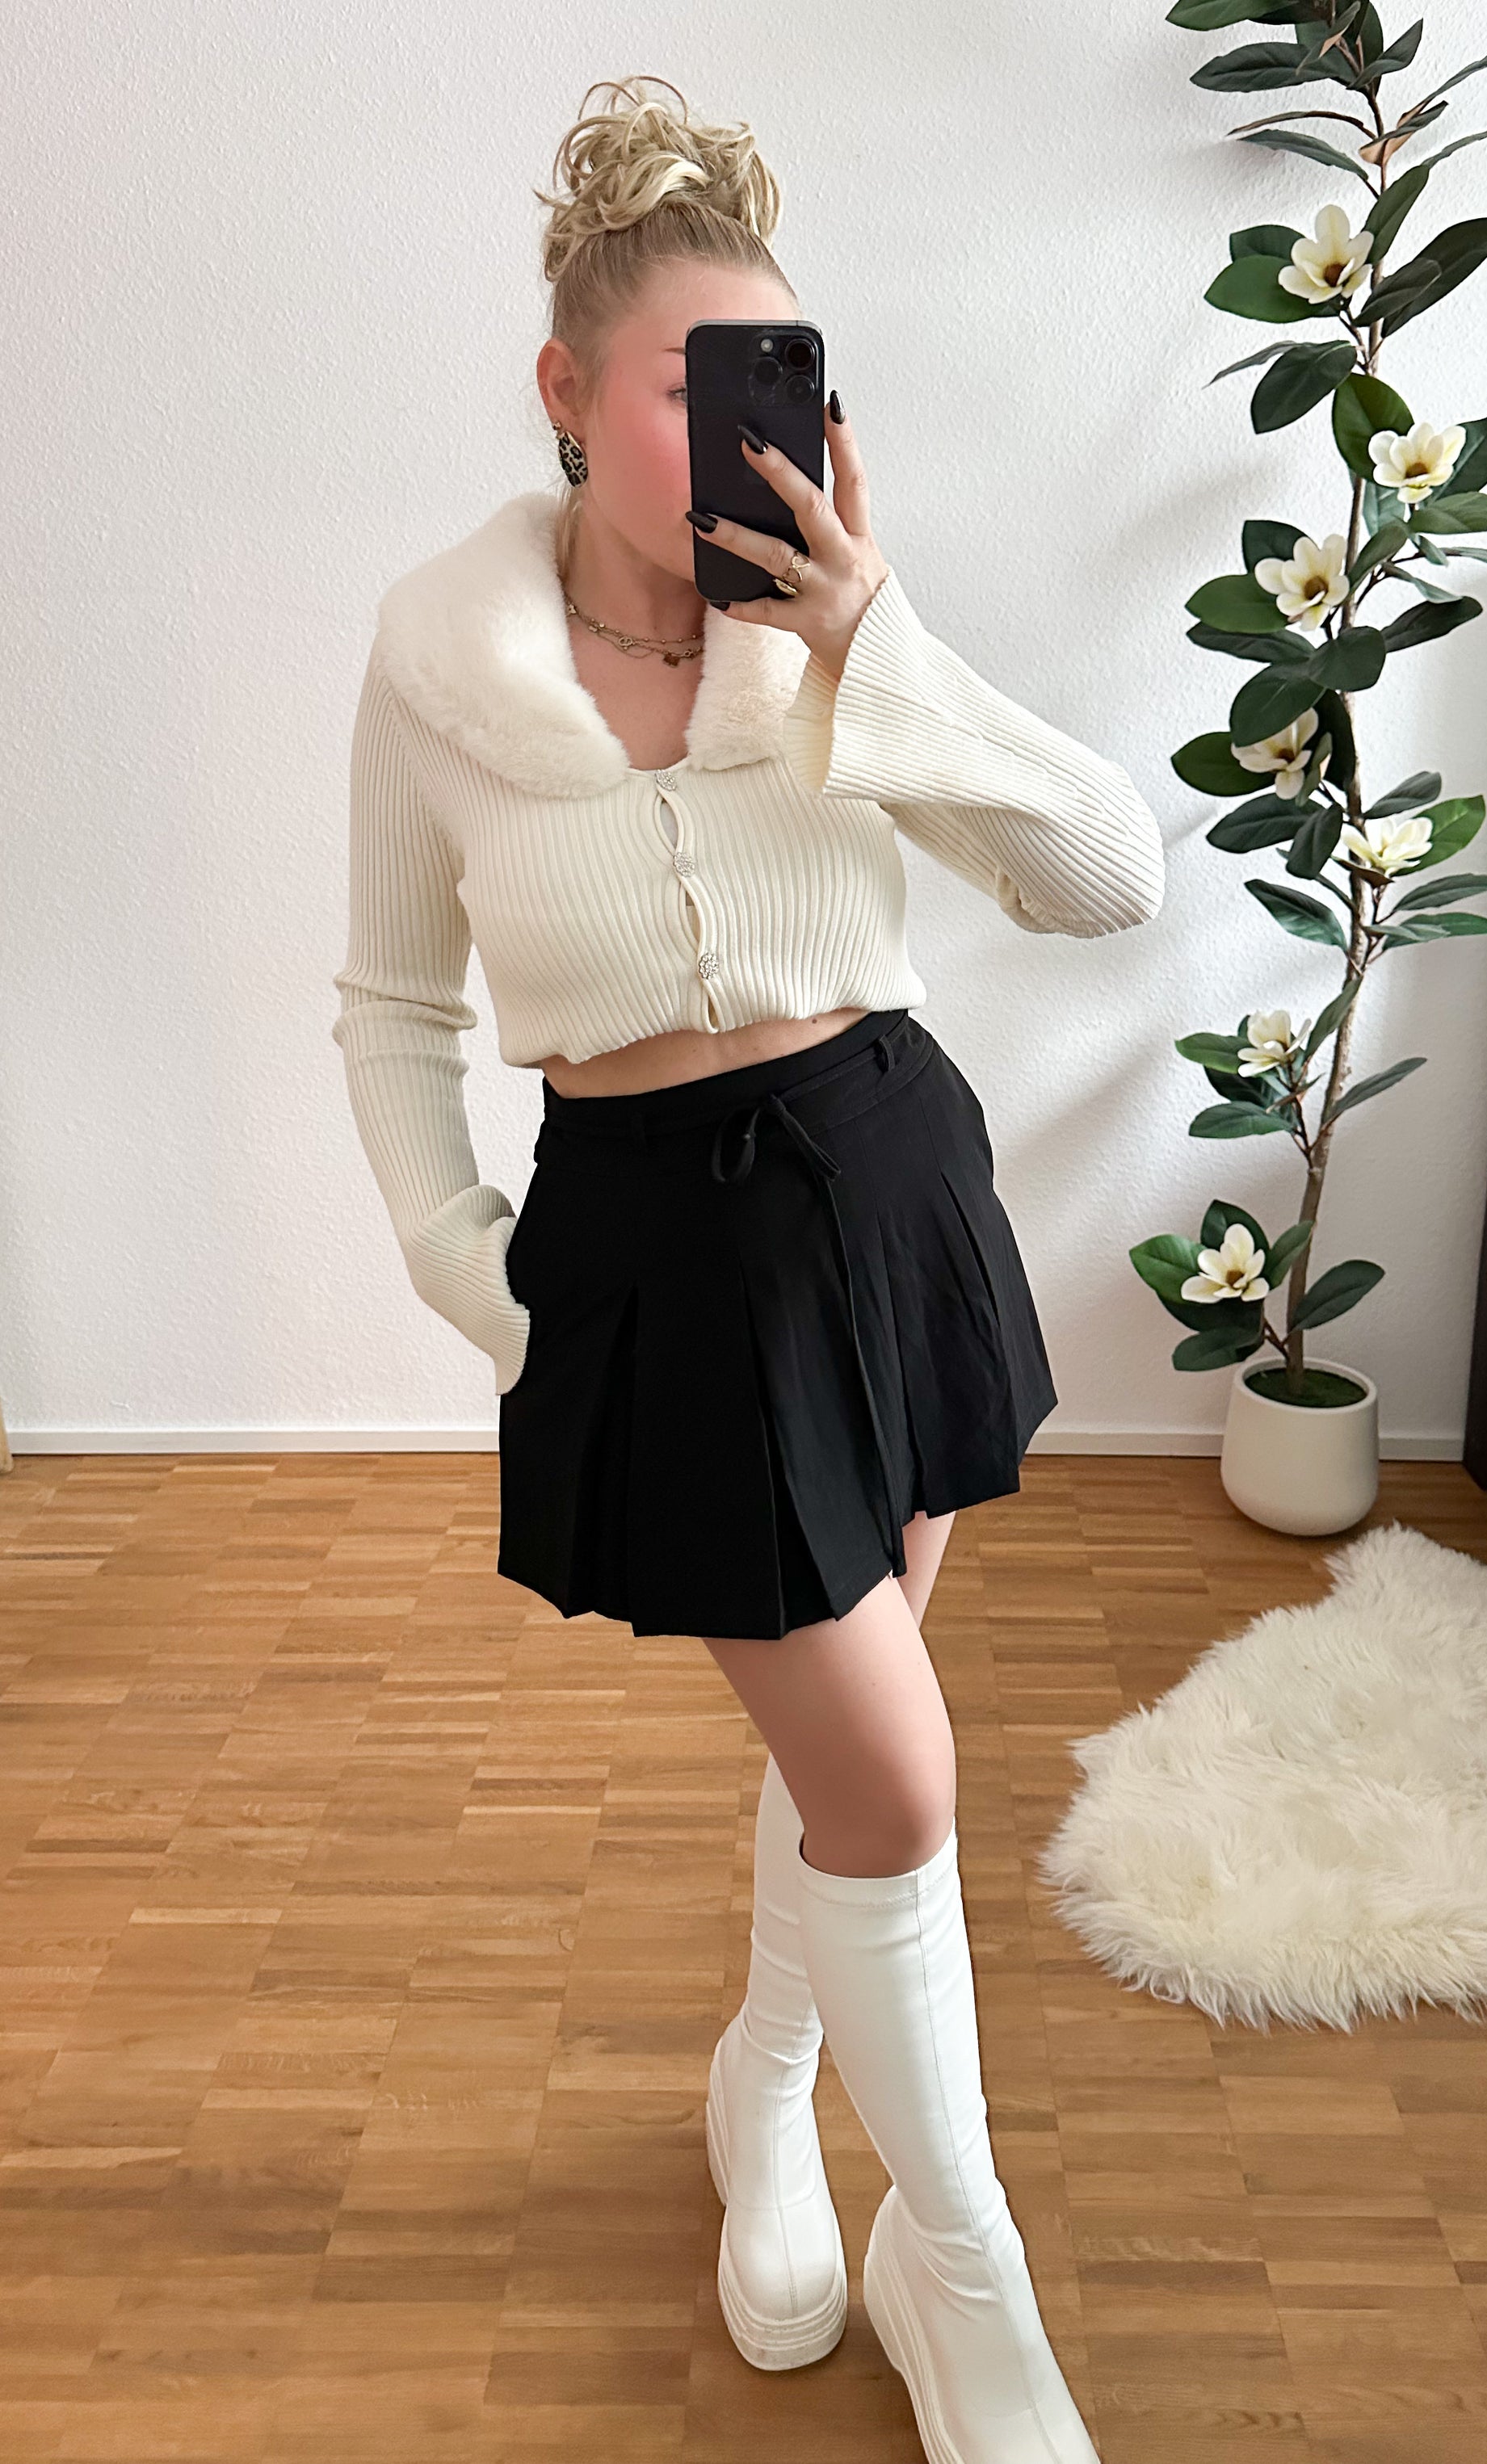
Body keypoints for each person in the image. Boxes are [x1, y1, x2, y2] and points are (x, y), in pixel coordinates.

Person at [331, 72, 1162, 2464]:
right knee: (890, 1771)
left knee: (848, 1756)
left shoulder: (834, 635)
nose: (741, 427)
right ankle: (962, 2272)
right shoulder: (436, 667)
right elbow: (389, 1009)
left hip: (884, 1190)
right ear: (565, 386)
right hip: (657, 1255)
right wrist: (482, 1282)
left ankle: (768, 2093)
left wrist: (880, 642)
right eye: (690, 378)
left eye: (775, 375)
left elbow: (1106, 875)